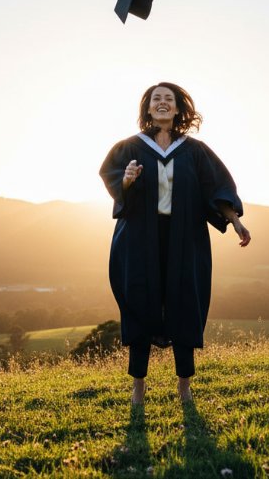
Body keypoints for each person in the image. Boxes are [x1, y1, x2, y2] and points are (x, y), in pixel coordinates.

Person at [99, 82, 251, 405]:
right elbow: (113, 182)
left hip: (185, 238)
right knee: (139, 304)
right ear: (148, 109)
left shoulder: (194, 151)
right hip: (140, 239)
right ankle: (138, 386)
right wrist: (126, 179)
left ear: (178, 108)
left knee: (184, 304)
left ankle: (184, 385)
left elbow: (216, 189)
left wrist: (235, 221)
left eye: (169, 99)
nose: (163, 103)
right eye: (157, 99)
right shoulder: (130, 148)